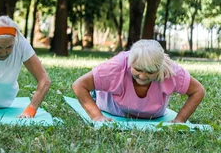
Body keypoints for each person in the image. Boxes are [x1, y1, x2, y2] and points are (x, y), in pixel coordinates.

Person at [72, 39, 205, 123]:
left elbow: (198, 91)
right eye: (138, 70)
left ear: (159, 68)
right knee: (101, 82)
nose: (142, 76)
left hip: (153, 113)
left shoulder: (171, 71)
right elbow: (79, 85)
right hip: (111, 105)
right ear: (130, 63)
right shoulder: (117, 66)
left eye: (150, 72)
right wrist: (97, 117)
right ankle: (99, 87)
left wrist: (179, 120)